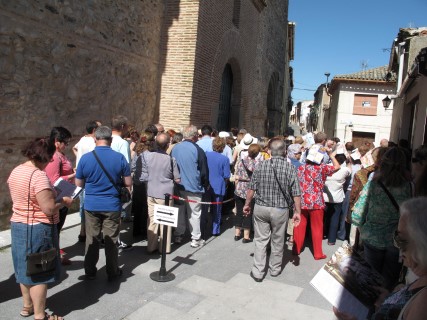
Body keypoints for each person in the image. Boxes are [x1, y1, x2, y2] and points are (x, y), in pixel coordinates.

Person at [8, 138, 72, 320]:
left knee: (23, 268)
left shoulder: (16, 170)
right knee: (40, 273)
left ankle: (27, 306)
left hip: (19, 225)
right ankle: (40, 315)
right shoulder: (38, 176)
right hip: (38, 228)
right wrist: (64, 201)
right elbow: (49, 208)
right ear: (43, 157)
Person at [334, 197, 427, 320]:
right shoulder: (421, 279)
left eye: (402, 240)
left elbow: (356, 214)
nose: (398, 247)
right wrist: (387, 300)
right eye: (396, 237)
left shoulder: (423, 304)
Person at [75, 126, 131, 281]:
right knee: (111, 239)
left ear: (95, 139)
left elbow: (79, 184)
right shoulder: (119, 158)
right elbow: (127, 182)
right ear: (110, 140)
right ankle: (112, 271)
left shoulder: (85, 158)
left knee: (91, 239)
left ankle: (90, 271)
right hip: (112, 205)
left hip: (91, 204)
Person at [352, 147, 413, 290]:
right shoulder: (409, 187)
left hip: (373, 237)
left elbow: (357, 214)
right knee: (389, 281)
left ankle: (369, 308)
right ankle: (383, 307)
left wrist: (362, 227)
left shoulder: (374, 183)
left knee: (370, 279)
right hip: (396, 241)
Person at [243, 139, 302, 282]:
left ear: (269, 150)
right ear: (285, 152)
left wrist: (247, 204)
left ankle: (258, 271)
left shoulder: (261, 165)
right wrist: (297, 212)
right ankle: (274, 269)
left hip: (261, 207)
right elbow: (296, 193)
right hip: (280, 209)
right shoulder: (290, 168)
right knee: (278, 239)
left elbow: (251, 188)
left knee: (260, 240)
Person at [293, 144, 340, 260]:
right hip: (317, 202)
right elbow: (337, 166)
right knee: (317, 227)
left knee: (299, 225)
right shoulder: (322, 168)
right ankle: (318, 253)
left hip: (302, 201)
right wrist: (330, 155)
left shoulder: (300, 168)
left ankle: (296, 248)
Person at [171, 125, 209, 248]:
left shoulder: (175, 148)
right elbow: (204, 171)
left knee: (180, 211)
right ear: (194, 136)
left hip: (178, 186)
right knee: (194, 213)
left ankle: (178, 234)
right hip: (193, 187)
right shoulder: (198, 150)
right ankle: (195, 238)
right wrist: (205, 184)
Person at [143, 133, 180, 253]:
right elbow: (177, 179)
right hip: (165, 194)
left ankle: (151, 246)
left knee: (152, 220)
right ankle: (165, 247)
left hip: (151, 192)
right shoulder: (170, 159)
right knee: (165, 222)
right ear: (167, 145)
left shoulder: (148, 157)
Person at [44, 126, 75, 265]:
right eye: (65, 142)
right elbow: (53, 179)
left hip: (64, 193)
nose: (67, 145)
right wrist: (73, 175)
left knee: (57, 228)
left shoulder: (59, 155)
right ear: (57, 141)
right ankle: (53, 255)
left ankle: (55, 252)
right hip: (59, 195)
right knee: (55, 228)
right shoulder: (55, 157)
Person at [73, 120, 100, 243]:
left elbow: (75, 148)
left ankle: (82, 231)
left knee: (82, 204)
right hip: (89, 175)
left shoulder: (83, 139)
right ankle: (87, 232)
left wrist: (78, 158)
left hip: (80, 173)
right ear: (94, 130)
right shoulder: (92, 142)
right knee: (88, 205)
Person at [234, 143, 262, 242]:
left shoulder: (241, 161)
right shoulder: (258, 164)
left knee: (239, 211)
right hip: (250, 190)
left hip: (239, 189)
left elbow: (237, 174)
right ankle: (246, 236)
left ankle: (237, 234)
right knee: (248, 212)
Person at [323, 152, 351, 245]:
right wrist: (349, 162)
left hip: (325, 196)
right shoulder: (345, 170)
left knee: (324, 217)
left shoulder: (326, 167)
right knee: (335, 218)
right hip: (337, 197)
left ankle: (323, 234)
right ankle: (331, 240)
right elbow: (350, 171)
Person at [206, 137, 231, 236]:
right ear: (222, 147)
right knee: (217, 209)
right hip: (218, 186)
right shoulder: (225, 159)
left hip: (207, 184)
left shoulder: (206, 155)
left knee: (204, 208)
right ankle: (215, 230)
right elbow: (226, 175)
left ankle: (202, 228)